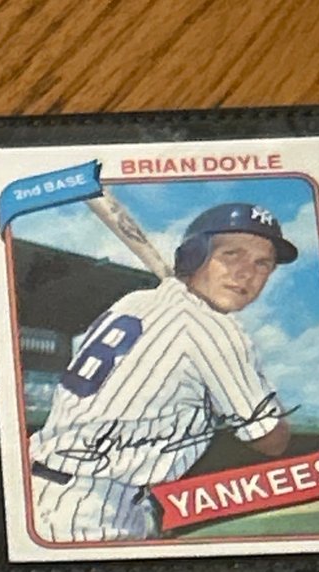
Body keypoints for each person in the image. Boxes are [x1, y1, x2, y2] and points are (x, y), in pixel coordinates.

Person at [28, 203, 298, 543]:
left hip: (52, 492)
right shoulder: (215, 330)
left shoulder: (135, 302)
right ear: (194, 256)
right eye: (232, 255)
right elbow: (272, 439)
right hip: (86, 514)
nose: (247, 273)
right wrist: (248, 379)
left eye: (262, 264)